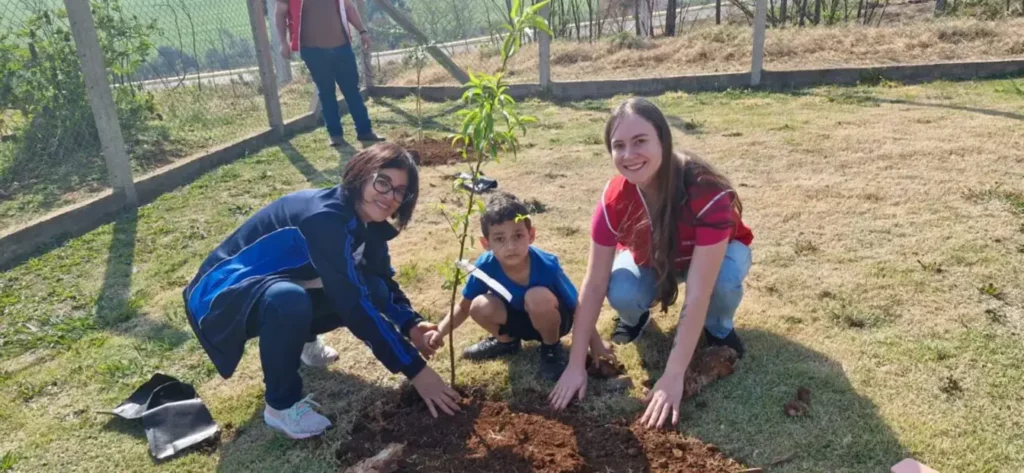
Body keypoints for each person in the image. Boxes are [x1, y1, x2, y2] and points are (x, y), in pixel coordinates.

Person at [182, 143, 459, 440]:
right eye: (382, 182)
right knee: (288, 301)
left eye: (400, 191)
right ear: (361, 175)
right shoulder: (325, 219)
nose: (389, 196)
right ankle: (280, 405)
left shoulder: (367, 222)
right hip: (222, 293)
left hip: (282, 279)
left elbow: (378, 281)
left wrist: (411, 324)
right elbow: (351, 303)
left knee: (365, 284)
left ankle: (303, 340)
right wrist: (416, 369)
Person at [548, 98, 754, 429]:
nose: (629, 155)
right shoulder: (614, 200)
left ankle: (718, 330)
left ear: (662, 139)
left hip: (714, 257)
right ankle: (637, 319)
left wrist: (674, 376)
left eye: (640, 141)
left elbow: (697, 292)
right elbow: (594, 282)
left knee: (723, 280)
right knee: (622, 289)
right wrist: (575, 364)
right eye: (619, 146)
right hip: (656, 259)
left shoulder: (705, 191)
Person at [427, 192, 576, 381]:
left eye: (518, 236)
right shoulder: (485, 266)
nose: (511, 246)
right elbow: (464, 306)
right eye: (499, 239)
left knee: (536, 297)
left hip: (553, 320)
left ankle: (551, 349)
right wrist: (440, 332)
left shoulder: (547, 265)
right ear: (485, 243)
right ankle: (507, 343)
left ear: (531, 235)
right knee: (479, 305)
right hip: (517, 319)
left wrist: (595, 344)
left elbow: (577, 306)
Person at [275, 0, 383, 146]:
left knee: (352, 90)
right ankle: (335, 135)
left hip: (342, 47)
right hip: (312, 50)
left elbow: (348, 7)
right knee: (326, 92)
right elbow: (280, 13)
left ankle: (365, 131)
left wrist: (362, 31)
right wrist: (283, 42)